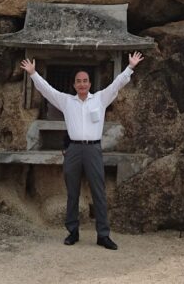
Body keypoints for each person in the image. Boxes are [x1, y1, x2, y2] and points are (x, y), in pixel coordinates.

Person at [20, 51, 144, 250]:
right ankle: (72, 231)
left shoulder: (100, 99)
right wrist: (33, 73)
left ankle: (103, 235)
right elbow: (47, 90)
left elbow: (116, 85)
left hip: (93, 149)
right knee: (72, 192)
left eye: (85, 81)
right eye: (78, 81)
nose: (82, 84)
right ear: (74, 84)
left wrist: (130, 67)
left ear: (89, 83)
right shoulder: (67, 101)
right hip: (74, 150)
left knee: (99, 192)